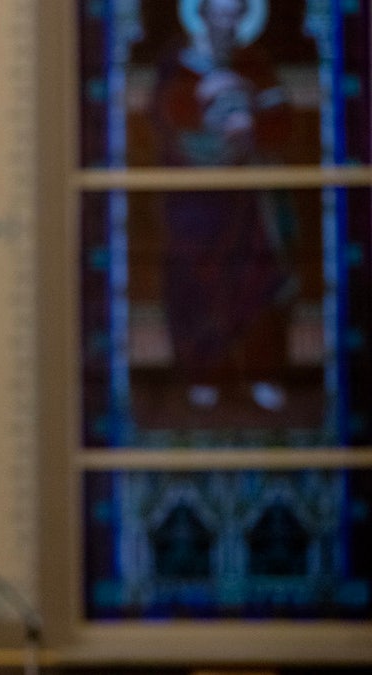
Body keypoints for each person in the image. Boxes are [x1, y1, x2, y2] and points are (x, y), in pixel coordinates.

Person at [151, 0, 298, 412]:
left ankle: (262, 374)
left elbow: (279, 119)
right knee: (198, 285)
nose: (226, 24)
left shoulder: (254, 61)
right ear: (202, 14)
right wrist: (210, 130)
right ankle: (204, 374)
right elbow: (165, 121)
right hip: (196, 203)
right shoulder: (179, 64)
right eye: (219, 13)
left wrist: (252, 127)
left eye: (235, 15)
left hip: (250, 201)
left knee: (259, 282)